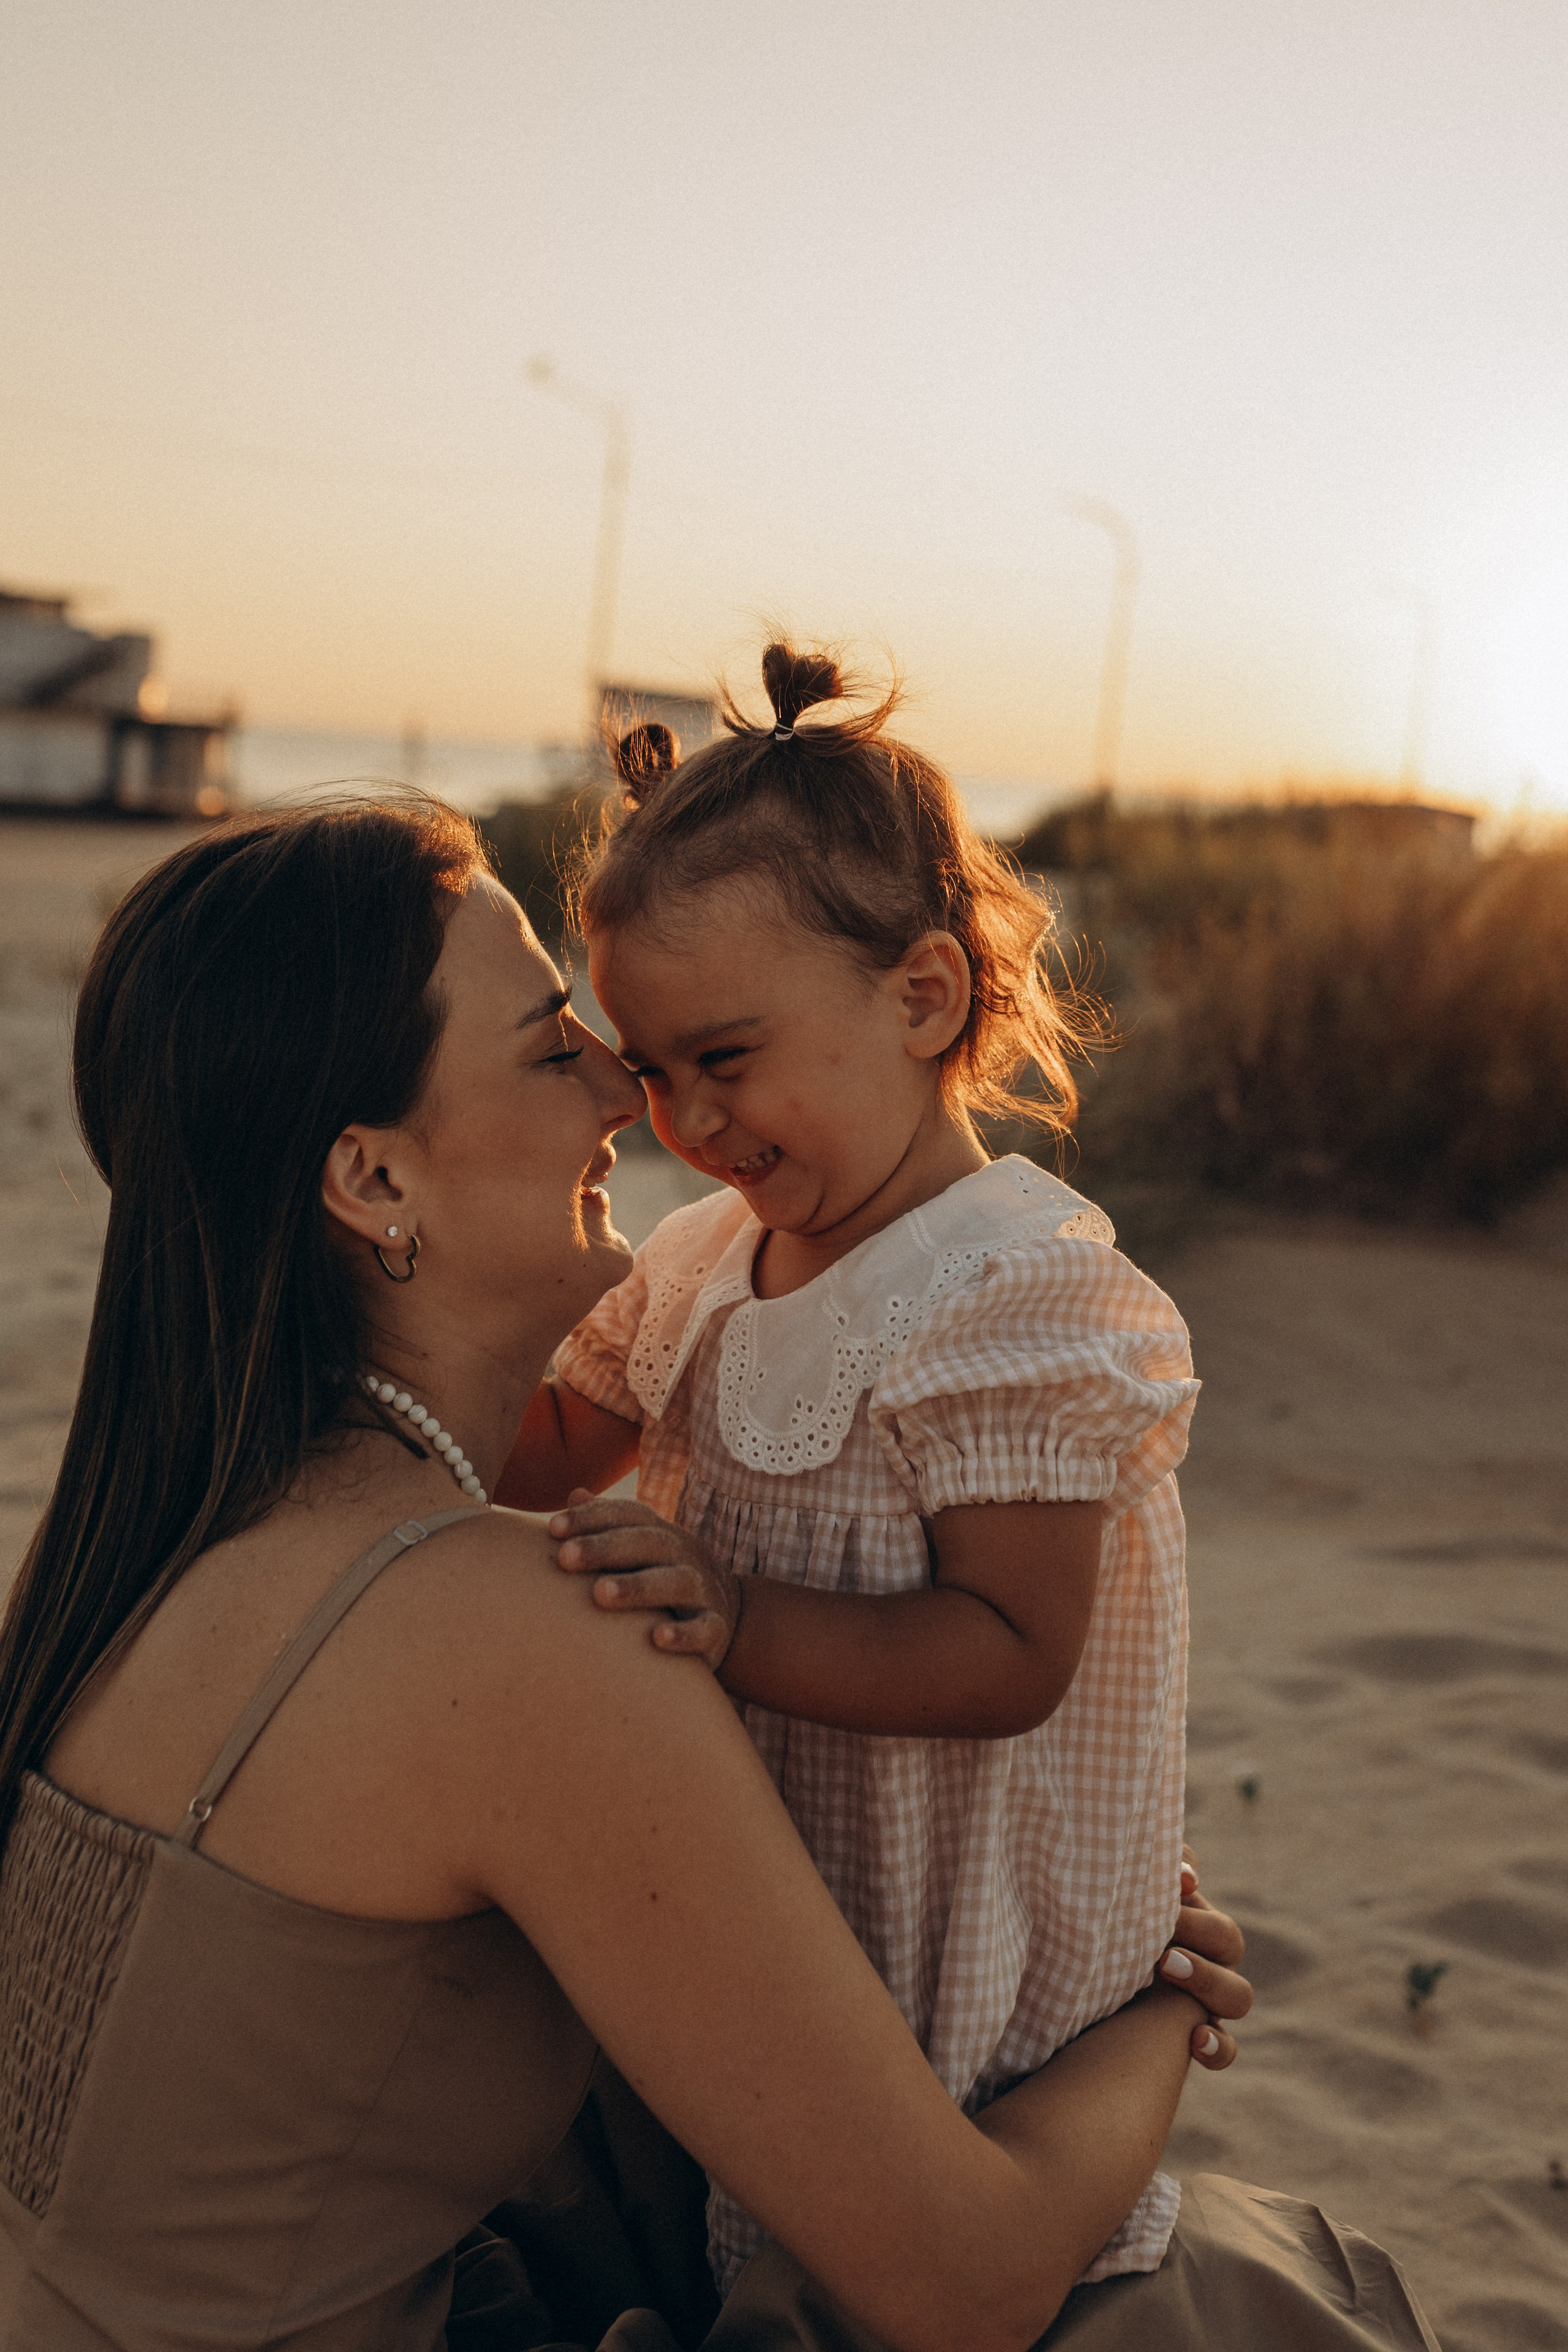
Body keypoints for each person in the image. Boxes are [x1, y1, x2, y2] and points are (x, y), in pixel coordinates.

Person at [0, 798, 1433, 2352]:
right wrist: (1162, 2008)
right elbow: (962, 2284)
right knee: (1216, 2302)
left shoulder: (154, 1534)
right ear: (370, 1182)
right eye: (560, 1046)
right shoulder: (506, 1629)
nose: (634, 1091)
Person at [497, 644, 1191, 2293]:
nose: (686, 1122)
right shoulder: (696, 1264)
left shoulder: (1013, 1295)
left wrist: (734, 1614)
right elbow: (534, 1457)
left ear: (926, 998)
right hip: (772, 1893)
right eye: (654, 1072)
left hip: (961, 1919)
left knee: (896, 2241)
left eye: (726, 1060)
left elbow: (1012, 1653)